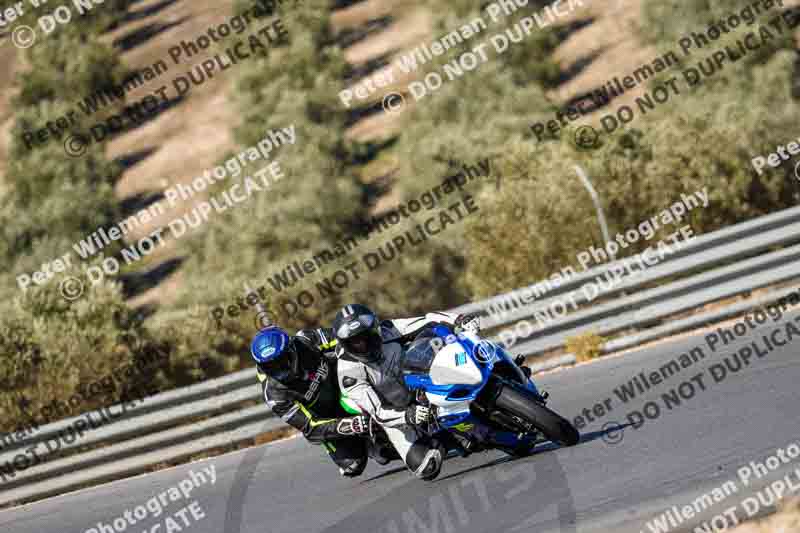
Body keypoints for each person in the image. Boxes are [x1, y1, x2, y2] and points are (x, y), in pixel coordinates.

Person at [332, 304, 481, 480]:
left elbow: (429, 320)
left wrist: (458, 319)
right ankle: (448, 437)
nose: (362, 345)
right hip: (398, 412)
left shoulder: (390, 329)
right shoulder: (347, 373)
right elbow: (378, 412)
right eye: (355, 343)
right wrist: (408, 415)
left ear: (376, 329)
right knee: (426, 468)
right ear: (345, 345)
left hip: (423, 386)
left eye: (366, 337)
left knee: (467, 363)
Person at [251, 326, 370, 477]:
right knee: (352, 466)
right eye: (270, 367)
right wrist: (352, 425)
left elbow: (345, 337)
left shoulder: (307, 340)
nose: (279, 370)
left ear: (291, 350)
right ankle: (371, 444)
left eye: (282, 362)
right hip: (328, 416)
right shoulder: (275, 396)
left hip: (345, 384)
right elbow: (311, 428)